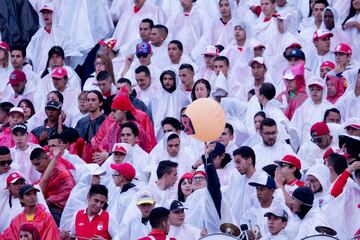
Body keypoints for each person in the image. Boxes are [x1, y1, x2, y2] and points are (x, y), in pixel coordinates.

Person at [26, 3, 80, 74]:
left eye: (49, 12)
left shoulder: (62, 34)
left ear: (54, 14)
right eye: (43, 13)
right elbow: (29, 53)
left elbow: (68, 53)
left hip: (58, 73)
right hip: (40, 73)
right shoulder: (37, 35)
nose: (45, 15)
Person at [29, 147, 75, 225]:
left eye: (37, 164)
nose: (36, 168)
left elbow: (66, 194)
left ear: (46, 158)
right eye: (34, 165)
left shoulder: (60, 171)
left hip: (60, 210)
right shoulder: (49, 169)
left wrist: (45, 201)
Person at [224, 146, 260, 225]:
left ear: (249, 160)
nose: (236, 166)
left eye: (238, 162)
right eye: (235, 163)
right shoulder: (238, 180)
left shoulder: (262, 180)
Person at [149, 70, 190, 139]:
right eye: (165, 79)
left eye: (170, 79)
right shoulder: (156, 99)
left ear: (175, 80)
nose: (167, 82)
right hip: (160, 136)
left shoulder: (183, 98)